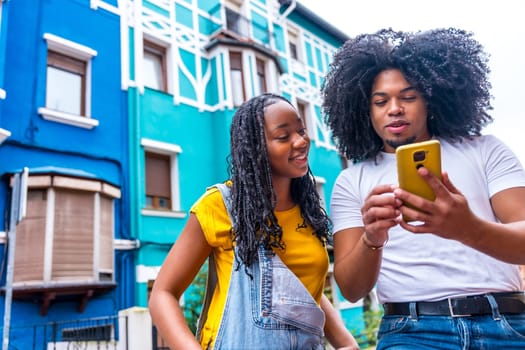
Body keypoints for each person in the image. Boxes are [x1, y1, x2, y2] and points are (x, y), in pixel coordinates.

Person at [321, 28, 525, 349]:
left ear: (430, 100)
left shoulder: (486, 150)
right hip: (412, 333)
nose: (394, 108)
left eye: (408, 97)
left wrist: (467, 228)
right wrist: (371, 238)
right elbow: (350, 288)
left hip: (507, 325)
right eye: (380, 101)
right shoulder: (352, 180)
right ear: (367, 111)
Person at [149, 93, 359, 350]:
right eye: (284, 136)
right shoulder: (221, 205)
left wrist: (346, 343)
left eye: (301, 131)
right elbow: (162, 295)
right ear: (255, 148)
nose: (301, 141)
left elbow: (300, 289)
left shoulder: (308, 213)